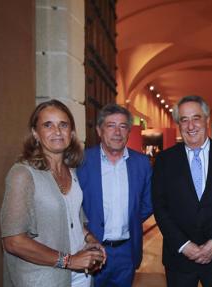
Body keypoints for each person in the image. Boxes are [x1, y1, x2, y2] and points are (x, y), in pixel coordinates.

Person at [0, 100, 106, 287]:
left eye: (63, 125)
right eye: (48, 125)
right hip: (42, 278)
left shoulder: (71, 171)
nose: (57, 131)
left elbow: (73, 220)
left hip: (80, 275)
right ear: (35, 133)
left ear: (71, 133)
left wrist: (90, 240)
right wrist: (69, 261)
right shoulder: (22, 174)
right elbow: (13, 241)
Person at [152, 95, 212, 287]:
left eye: (196, 118)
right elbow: (160, 208)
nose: (190, 125)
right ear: (179, 124)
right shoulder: (164, 160)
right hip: (179, 259)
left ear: (207, 120)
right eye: (184, 120)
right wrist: (184, 246)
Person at [77, 104, 153, 287]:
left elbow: (148, 203)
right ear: (99, 130)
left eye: (123, 126)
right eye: (111, 125)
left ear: (128, 131)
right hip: (90, 247)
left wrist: (130, 219)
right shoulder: (82, 161)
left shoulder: (142, 163)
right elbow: (73, 205)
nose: (117, 132)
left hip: (126, 251)